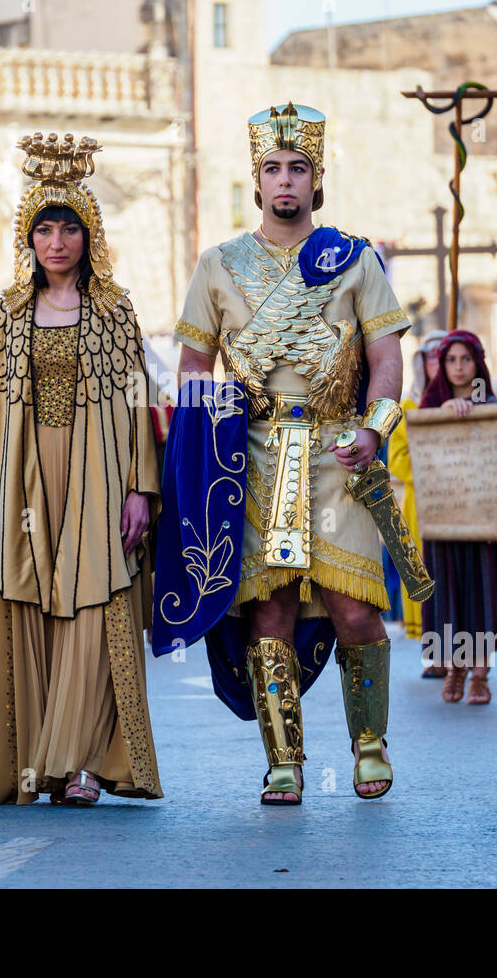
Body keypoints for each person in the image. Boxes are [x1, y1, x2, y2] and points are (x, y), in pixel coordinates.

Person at [167, 104, 411, 804]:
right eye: (272, 168)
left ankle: (369, 744)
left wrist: (373, 429)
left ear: (317, 178)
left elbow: (387, 357)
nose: (285, 180)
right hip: (255, 454)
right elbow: (192, 369)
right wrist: (204, 450)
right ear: (256, 178)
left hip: (339, 450)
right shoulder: (218, 265)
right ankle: (284, 759)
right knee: (268, 609)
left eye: (297, 168)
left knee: (354, 607)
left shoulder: (354, 259)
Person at [0, 133, 163, 807]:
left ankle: (85, 762)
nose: (57, 241)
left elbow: (135, 401)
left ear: (90, 236)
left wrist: (141, 489)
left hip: (97, 477)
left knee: (92, 607)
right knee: (30, 609)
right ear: (28, 239)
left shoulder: (115, 310)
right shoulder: (5, 315)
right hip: (20, 483)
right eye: (45, 230)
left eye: (70, 228)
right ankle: (36, 763)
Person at [418, 330, 497, 706]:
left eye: (466, 360)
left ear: (478, 364)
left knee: (483, 593)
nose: (458, 367)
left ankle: (479, 674)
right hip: (444, 516)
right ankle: (454, 667)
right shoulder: (429, 403)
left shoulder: (494, 405)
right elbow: (417, 451)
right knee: (448, 593)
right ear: (442, 365)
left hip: (488, 516)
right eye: (451, 360)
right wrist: (438, 416)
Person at [387, 328, 445, 667]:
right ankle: (434, 652)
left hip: (460, 502)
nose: (439, 363)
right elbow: (397, 458)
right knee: (425, 570)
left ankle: (467, 656)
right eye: (433, 357)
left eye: (446, 356)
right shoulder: (409, 405)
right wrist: (437, 473)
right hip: (422, 502)